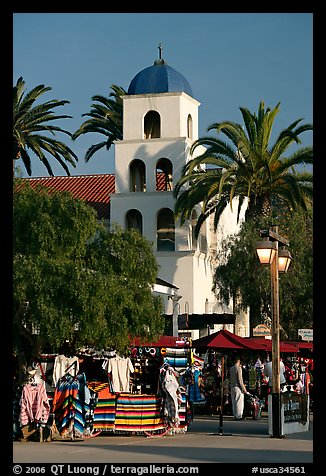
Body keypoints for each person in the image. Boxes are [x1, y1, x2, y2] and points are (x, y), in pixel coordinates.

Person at [229, 356, 247, 420]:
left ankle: (235, 415)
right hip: (238, 387)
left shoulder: (231, 369)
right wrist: (244, 389)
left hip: (232, 386)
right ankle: (239, 415)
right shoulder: (238, 368)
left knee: (234, 402)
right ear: (238, 361)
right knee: (239, 402)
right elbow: (240, 380)